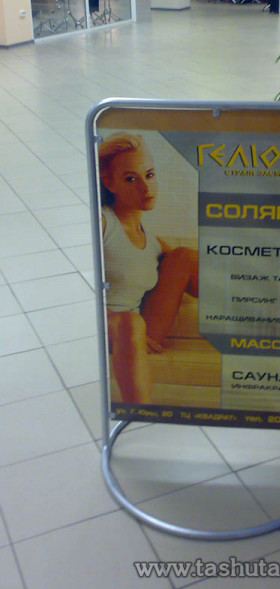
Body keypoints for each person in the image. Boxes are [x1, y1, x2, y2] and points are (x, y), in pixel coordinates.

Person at [98, 132, 198, 404]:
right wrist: (111, 318)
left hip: (138, 332)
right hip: (100, 326)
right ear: (110, 182)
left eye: (150, 175)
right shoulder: (102, 222)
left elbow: (194, 270)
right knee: (129, 322)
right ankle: (140, 413)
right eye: (131, 179)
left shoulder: (152, 241)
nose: (146, 188)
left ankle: (258, 315)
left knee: (185, 257)